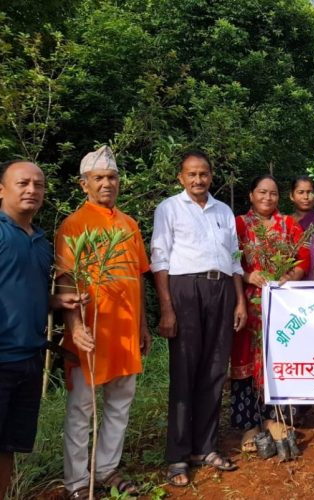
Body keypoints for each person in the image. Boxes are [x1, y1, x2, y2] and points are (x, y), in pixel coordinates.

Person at [54, 146, 151, 499]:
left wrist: (142, 325)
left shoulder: (129, 224)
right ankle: (78, 482)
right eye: (99, 178)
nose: (106, 183)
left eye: (112, 177)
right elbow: (65, 279)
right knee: (81, 407)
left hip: (125, 331)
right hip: (91, 333)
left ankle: (107, 468)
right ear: (84, 185)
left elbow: (137, 277)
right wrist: (76, 327)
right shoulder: (73, 225)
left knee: (120, 403)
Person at [151, 150, 247, 487]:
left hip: (220, 290)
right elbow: (160, 259)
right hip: (185, 289)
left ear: (211, 175)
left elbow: (235, 260)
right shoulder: (169, 208)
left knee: (215, 369)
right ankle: (177, 456)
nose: (198, 180)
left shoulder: (223, 211)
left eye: (203, 173)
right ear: (181, 177)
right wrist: (166, 307)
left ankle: (204, 447)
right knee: (185, 371)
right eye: (191, 174)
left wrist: (239, 302)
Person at [0, 159, 84, 498]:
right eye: (23, 183)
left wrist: (56, 302)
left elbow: (21, 288)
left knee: (8, 445)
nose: (32, 190)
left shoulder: (41, 242)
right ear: (2, 189)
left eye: (38, 184)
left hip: (30, 357)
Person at [231, 174, 309, 451]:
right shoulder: (238, 224)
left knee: (279, 357)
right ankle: (249, 425)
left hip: (281, 304)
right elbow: (227, 259)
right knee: (245, 362)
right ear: (251, 195)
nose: (267, 198)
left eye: (273, 193)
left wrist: (291, 277)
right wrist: (248, 275)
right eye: (261, 192)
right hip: (248, 302)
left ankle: (274, 418)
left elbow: (303, 258)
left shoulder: (288, 224)